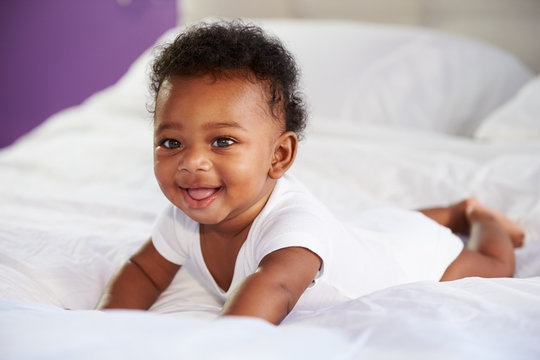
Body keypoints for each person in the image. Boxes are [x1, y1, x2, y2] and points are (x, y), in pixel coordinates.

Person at [96, 21, 525, 325]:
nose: (192, 163)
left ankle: (474, 214)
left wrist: (222, 343)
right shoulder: (181, 217)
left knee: (492, 265)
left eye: (222, 141)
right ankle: (448, 211)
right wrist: (104, 326)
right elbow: (145, 270)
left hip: (409, 258)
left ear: (279, 156)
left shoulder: (294, 228)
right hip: (364, 235)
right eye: (171, 143)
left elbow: (275, 288)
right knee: (383, 226)